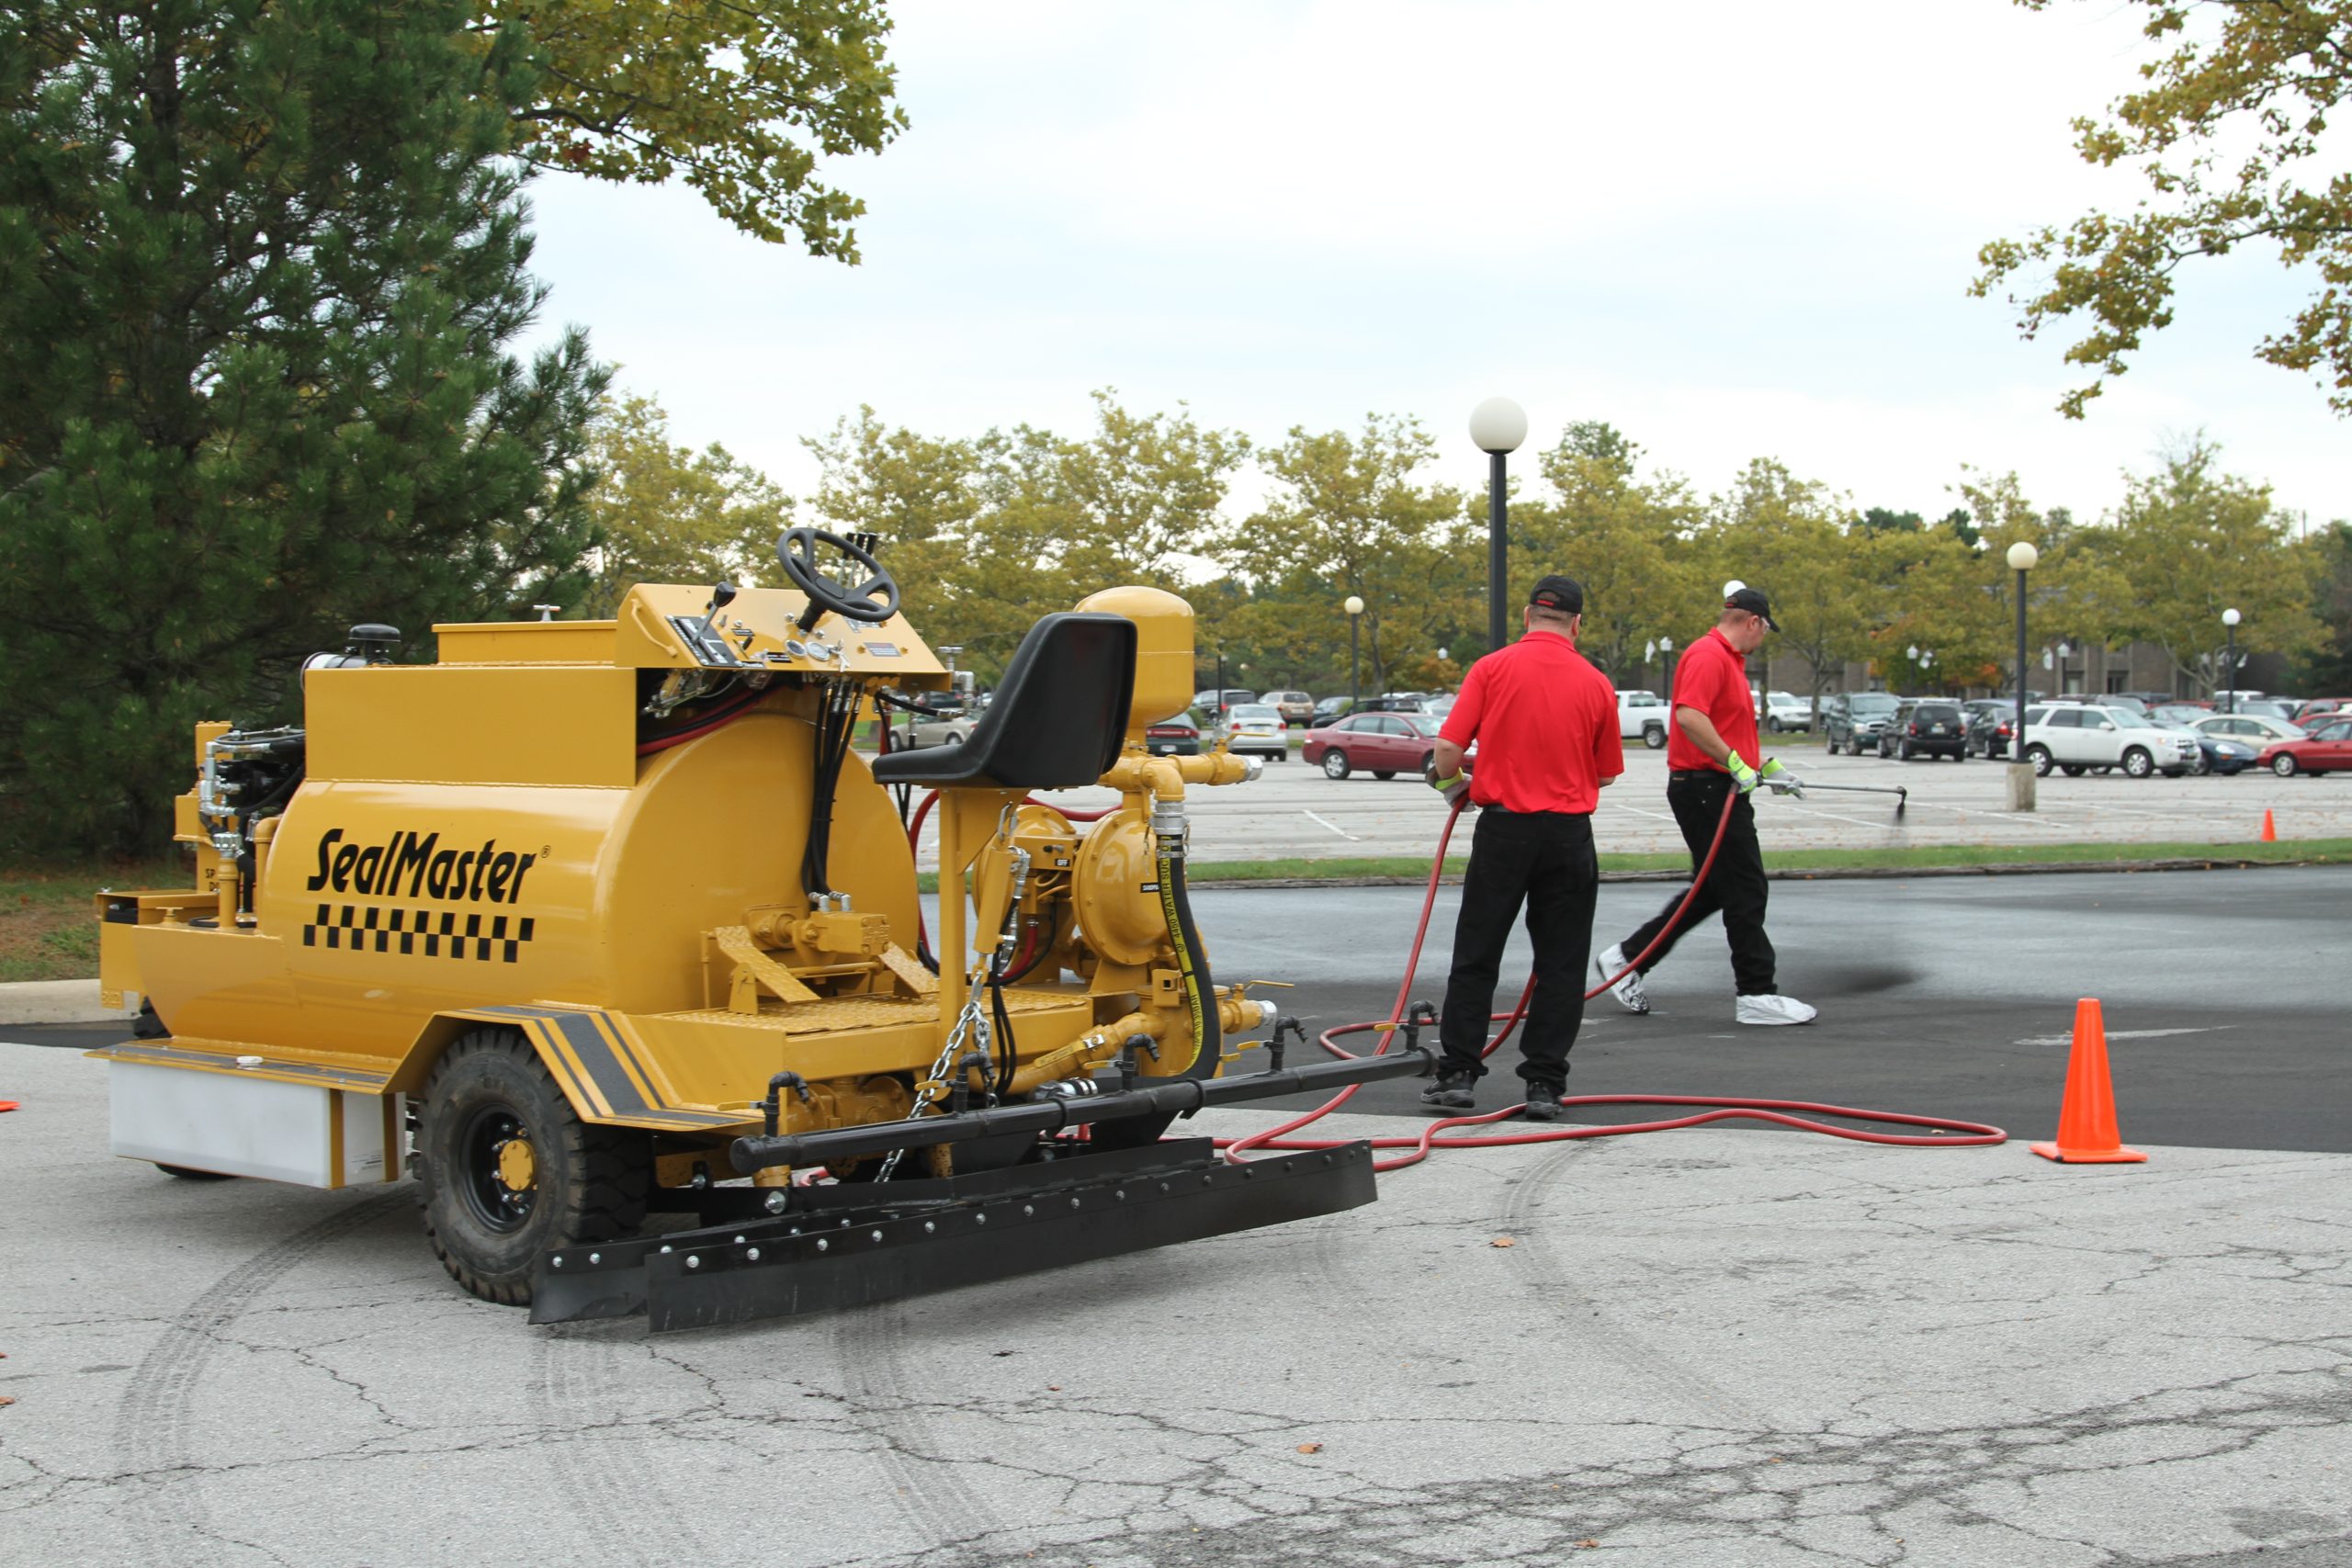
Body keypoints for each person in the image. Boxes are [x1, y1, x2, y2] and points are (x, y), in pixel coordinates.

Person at [1419, 575, 1624, 1121]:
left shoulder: (1492, 668)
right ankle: (1544, 1085)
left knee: (1478, 952)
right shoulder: (1596, 682)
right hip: (1568, 835)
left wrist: (1452, 786)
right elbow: (1605, 775)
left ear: (1528, 615)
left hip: (1504, 829)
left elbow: (1447, 747)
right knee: (1560, 963)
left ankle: (1459, 1073)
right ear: (1577, 624)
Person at [1596, 586, 1816, 1026]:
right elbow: (1689, 717)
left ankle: (1628, 958)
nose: (1764, 639)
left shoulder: (1729, 661)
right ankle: (1756, 993)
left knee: (1714, 890)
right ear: (1753, 621)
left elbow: (1729, 733)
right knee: (1747, 889)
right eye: (1766, 630)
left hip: (1716, 786)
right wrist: (1735, 764)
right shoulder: (1708, 655)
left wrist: (1769, 768)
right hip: (1705, 790)